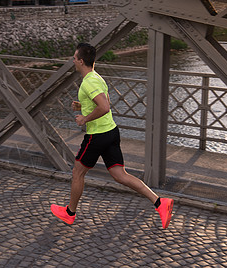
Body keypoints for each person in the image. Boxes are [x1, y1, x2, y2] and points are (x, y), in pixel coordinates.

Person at [50, 43, 174, 229]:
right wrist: (82, 106)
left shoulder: (88, 82)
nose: (73, 61)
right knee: (120, 175)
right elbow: (104, 102)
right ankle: (160, 203)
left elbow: (105, 107)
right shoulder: (97, 77)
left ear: (81, 61)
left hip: (97, 136)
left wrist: (84, 119)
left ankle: (69, 213)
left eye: (74, 58)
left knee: (77, 172)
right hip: (111, 132)